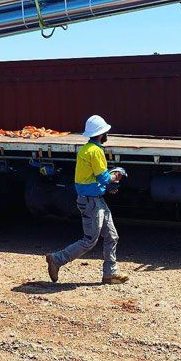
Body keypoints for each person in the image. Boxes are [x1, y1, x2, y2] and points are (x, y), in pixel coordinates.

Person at [45, 115, 129, 285]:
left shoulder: (85, 150)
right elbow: (104, 178)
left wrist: (107, 183)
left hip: (94, 200)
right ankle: (57, 259)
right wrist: (117, 175)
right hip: (92, 202)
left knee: (112, 236)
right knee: (90, 240)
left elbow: (92, 178)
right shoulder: (96, 151)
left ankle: (110, 274)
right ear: (101, 133)